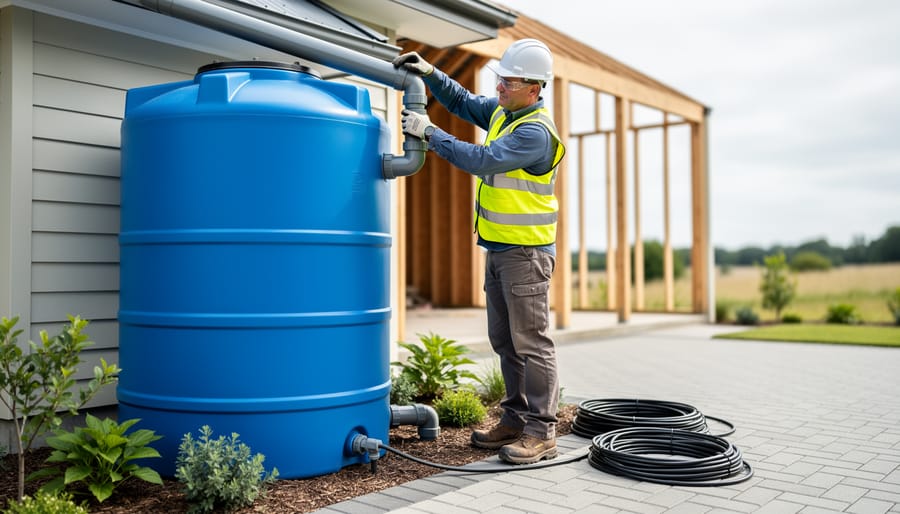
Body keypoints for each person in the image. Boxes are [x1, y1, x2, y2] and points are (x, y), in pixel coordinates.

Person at [393, 39, 566, 465]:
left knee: (532, 343)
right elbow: (466, 102)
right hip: (501, 249)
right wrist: (431, 72)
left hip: (527, 255)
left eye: (509, 81)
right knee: (505, 340)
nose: (500, 86)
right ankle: (514, 419)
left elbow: (482, 160)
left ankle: (542, 432)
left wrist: (429, 134)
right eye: (500, 78)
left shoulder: (533, 133)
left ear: (535, 88)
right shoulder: (507, 113)